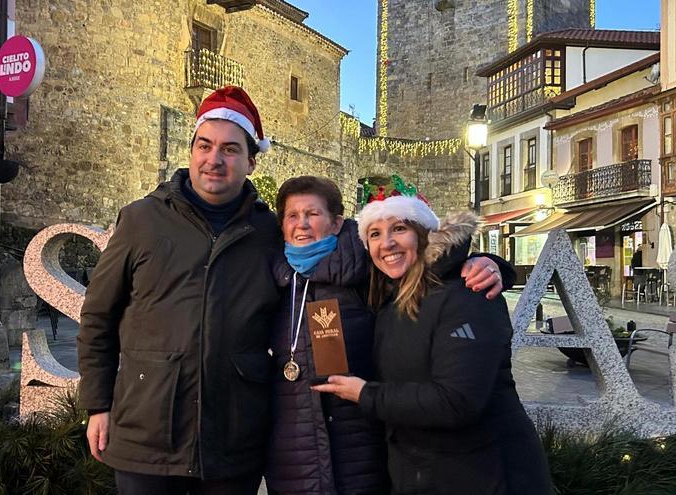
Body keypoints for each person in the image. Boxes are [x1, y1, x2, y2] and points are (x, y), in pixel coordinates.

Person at [77, 86, 279, 494]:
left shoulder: (269, 232)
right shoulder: (141, 220)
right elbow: (99, 316)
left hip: (233, 433)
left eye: (230, 149)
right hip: (146, 429)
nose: (214, 160)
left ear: (251, 161)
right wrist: (97, 406)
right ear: (191, 152)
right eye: (204, 145)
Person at [266, 176, 515, 495]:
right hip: (297, 458)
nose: (302, 224)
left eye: (313, 213)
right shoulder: (273, 278)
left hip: (374, 455)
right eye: (292, 215)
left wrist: (489, 265)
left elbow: (437, 271)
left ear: (337, 223)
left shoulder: (366, 272)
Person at [313, 186, 553, 495]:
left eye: (399, 228)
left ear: (424, 234)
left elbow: (457, 402)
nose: (386, 243)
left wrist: (365, 395)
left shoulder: (466, 292)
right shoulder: (390, 298)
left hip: (486, 476)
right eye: (374, 234)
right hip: (423, 474)